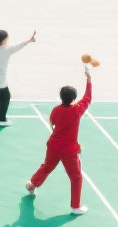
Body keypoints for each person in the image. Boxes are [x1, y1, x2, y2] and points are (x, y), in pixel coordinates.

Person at [26, 66, 93, 215]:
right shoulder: (77, 110)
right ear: (74, 99)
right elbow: (88, 98)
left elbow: (53, 126)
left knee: (47, 166)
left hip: (53, 146)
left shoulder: (55, 110)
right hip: (69, 151)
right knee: (76, 177)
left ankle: (32, 184)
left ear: (61, 97)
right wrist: (89, 79)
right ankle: (75, 207)